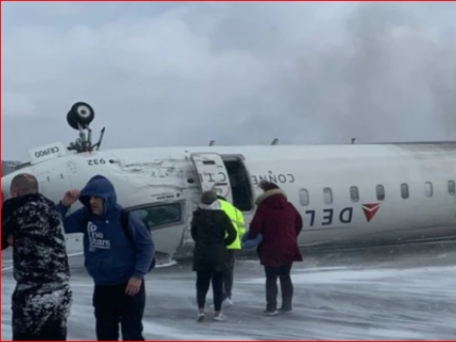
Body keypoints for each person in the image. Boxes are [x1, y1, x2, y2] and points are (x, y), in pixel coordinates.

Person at [57, 174, 155, 341]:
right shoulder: (86, 215)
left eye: (97, 197)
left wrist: (137, 276)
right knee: (105, 334)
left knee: (132, 334)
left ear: (107, 198)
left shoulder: (126, 218)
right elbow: (58, 226)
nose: (92, 201)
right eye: (89, 197)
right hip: (103, 286)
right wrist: (64, 204)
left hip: (129, 286)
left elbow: (147, 246)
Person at [1, 173, 72, 341]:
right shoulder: (52, 209)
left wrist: (9, 238)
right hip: (61, 291)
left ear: (16, 191)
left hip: (33, 292)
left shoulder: (14, 207)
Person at [247, 180, 303, 316]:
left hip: (270, 248)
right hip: (288, 247)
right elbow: (299, 223)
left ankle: (271, 307)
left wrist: (252, 238)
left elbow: (255, 226)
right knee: (285, 276)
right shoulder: (289, 206)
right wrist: (291, 236)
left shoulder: (264, 208)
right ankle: (287, 305)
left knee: (271, 278)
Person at [191, 191, 237, 322]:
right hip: (218, 253)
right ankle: (217, 313)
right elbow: (232, 233)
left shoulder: (197, 215)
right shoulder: (222, 215)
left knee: (201, 284)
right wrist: (224, 243)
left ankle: (200, 311)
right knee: (217, 284)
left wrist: (201, 242)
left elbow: (194, 233)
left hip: (201, 254)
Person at [216, 195, 246, 307]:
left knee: (216, 271)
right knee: (228, 272)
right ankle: (228, 295)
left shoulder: (215, 207)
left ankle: (221, 296)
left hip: (218, 244)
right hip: (232, 244)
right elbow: (241, 229)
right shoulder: (235, 210)